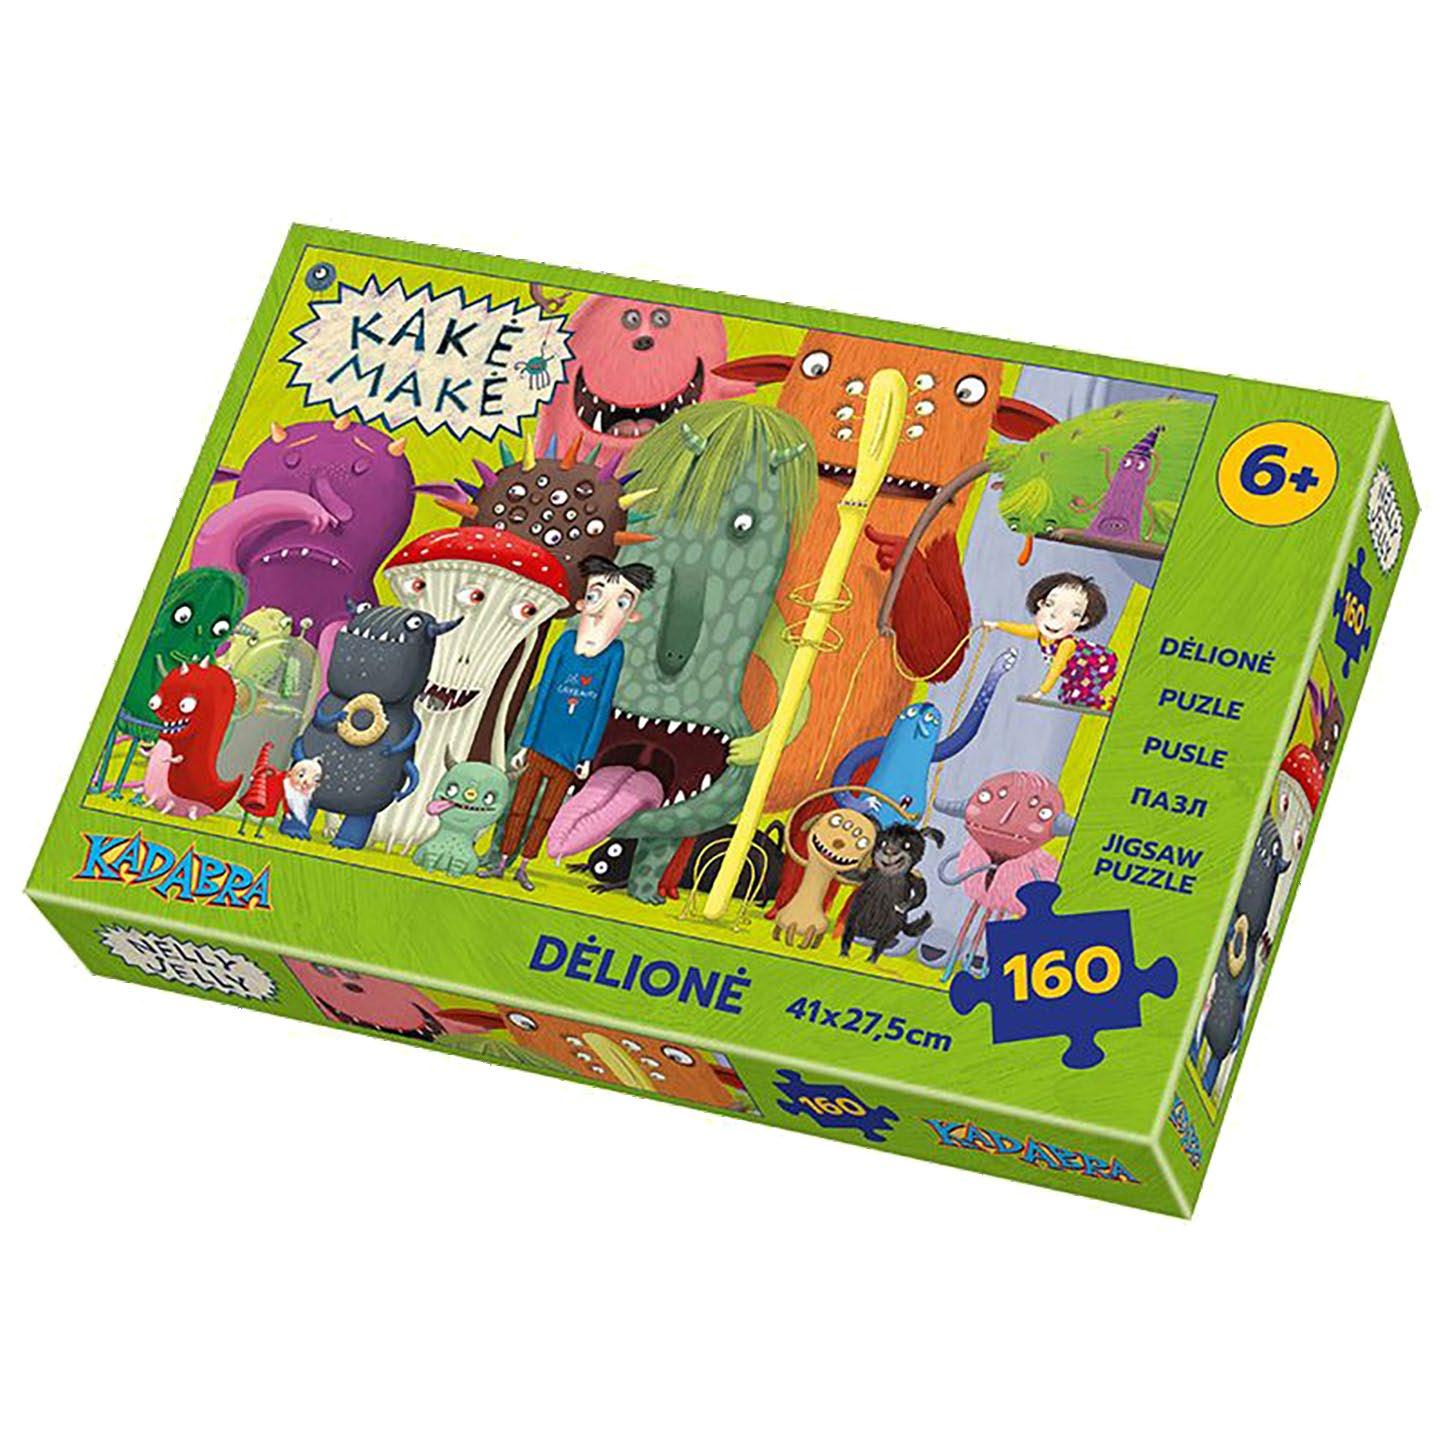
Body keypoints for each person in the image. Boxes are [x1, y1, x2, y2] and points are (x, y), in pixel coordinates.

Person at [482, 555, 654, 890]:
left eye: (620, 602)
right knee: (519, 806)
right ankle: (502, 860)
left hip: (570, 754)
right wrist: (527, 744)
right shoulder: (564, 643)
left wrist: (586, 756)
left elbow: (601, 706)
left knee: (547, 812)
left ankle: (525, 865)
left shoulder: (614, 653)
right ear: (581, 602)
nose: (602, 609)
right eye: (595, 596)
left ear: (632, 615)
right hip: (540, 744)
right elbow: (544, 693)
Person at [985, 571, 1117, 710]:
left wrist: (1040, 692)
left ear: (1083, 620)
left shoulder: (1066, 644)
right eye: (1049, 604)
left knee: (1076, 696)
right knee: (1065, 696)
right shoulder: (1041, 634)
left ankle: (1106, 704)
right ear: (1040, 603)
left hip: (1101, 665)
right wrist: (996, 625)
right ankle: (1099, 702)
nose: (1056, 617)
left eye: (1074, 613)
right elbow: (1019, 629)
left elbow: (1056, 669)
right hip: (1078, 673)